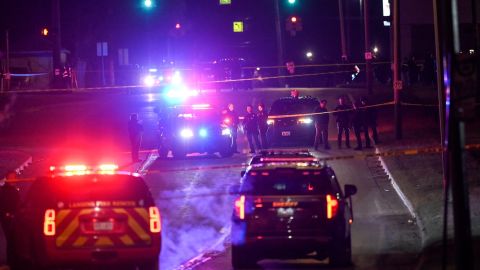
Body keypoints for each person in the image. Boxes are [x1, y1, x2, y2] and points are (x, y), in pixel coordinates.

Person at [0, 171, 21, 266]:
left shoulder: (13, 190)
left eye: (15, 177)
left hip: (13, 218)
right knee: (11, 239)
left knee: (13, 240)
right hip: (7, 219)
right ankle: (11, 261)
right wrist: (7, 214)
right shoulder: (5, 190)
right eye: (12, 177)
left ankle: (12, 261)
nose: (14, 179)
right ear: (7, 178)